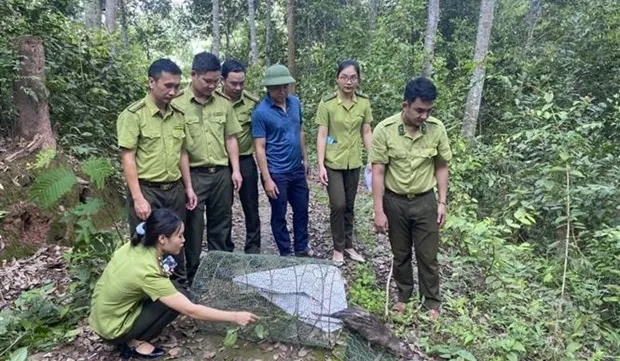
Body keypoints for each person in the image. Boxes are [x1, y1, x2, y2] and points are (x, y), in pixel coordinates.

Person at [89, 209, 258, 359]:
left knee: (176, 289)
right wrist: (235, 317)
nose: (183, 240)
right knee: (180, 299)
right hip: (112, 329)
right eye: (179, 236)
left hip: (100, 317)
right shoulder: (147, 271)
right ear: (162, 238)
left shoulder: (135, 244)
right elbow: (191, 310)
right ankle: (133, 342)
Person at [369, 77, 451, 320]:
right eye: (419, 110)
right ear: (405, 105)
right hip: (395, 202)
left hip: (425, 201)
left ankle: (432, 303)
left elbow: (442, 166)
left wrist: (442, 202)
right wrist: (379, 210)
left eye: (429, 110)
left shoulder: (436, 128)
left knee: (428, 255)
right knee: (401, 253)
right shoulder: (385, 130)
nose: (424, 116)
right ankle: (403, 296)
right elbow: (378, 171)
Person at [117, 58, 197, 281]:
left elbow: (182, 152)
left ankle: (178, 288)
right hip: (147, 190)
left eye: (177, 86)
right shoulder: (134, 115)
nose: (173, 91)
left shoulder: (178, 115)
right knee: (145, 243)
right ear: (152, 82)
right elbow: (128, 157)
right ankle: (147, 292)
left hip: (174, 189)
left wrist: (188, 187)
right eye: (167, 86)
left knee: (176, 239)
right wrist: (137, 197)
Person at [172, 52, 242, 281]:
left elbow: (231, 137)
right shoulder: (177, 104)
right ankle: (192, 272)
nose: (212, 86)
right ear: (193, 75)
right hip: (194, 175)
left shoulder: (223, 103)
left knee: (221, 222)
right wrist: (188, 184)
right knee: (192, 227)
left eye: (216, 81)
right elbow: (179, 147)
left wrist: (236, 170)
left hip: (221, 173)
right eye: (207, 81)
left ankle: (220, 268)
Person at [251, 64, 315, 257]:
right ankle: (285, 252)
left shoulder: (295, 103)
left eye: (285, 86)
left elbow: (300, 130)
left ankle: (301, 247)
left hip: (296, 168)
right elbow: (259, 148)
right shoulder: (261, 113)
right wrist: (267, 178)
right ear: (268, 89)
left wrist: (305, 158)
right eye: (277, 87)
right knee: (279, 214)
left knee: (302, 209)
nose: (282, 90)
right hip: (276, 172)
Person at [316, 59, 373, 266]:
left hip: (354, 162)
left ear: (358, 80)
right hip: (333, 162)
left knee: (349, 205)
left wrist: (372, 157)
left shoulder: (364, 103)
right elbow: (322, 135)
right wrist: (321, 165)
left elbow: (366, 131)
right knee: (338, 204)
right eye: (344, 77)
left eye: (353, 77)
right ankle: (337, 248)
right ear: (337, 79)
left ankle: (348, 245)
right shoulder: (328, 104)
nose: (348, 82)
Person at [221, 59, 261, 254]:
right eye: (233, 83)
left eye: (241, 83)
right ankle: (225, 248)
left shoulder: (253, 103)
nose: (238, 87)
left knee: (251, 205)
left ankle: (253, 247)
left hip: (246, 160)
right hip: (221, 163)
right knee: (223, 208)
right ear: (222, 80)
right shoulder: (214, 102)